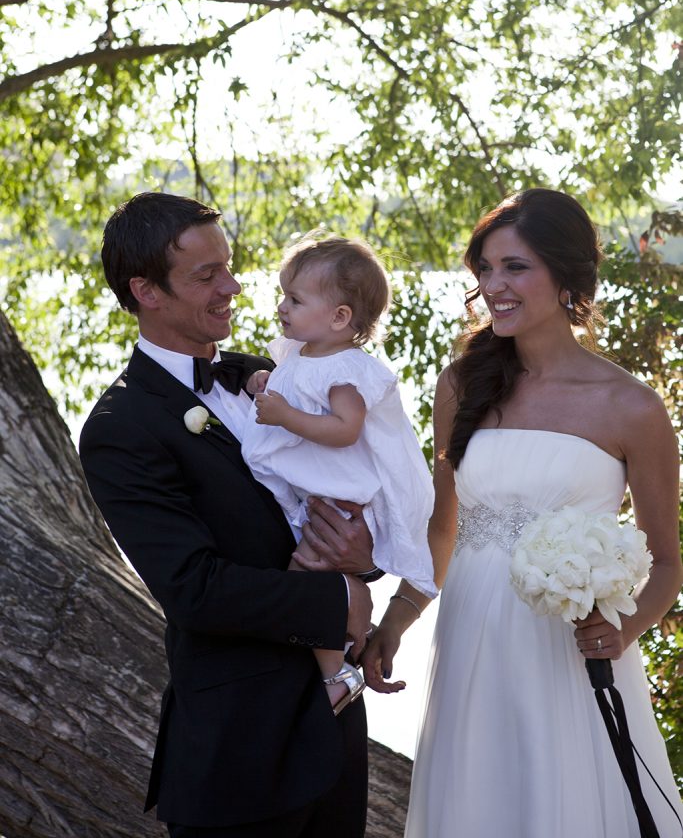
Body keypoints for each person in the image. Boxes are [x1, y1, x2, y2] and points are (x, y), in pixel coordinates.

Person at [362, 188, 683, 838]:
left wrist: (623, 631)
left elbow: (667, 563)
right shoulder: (460, 386)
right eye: (484, 269)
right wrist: (396, 618)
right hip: (469, 641)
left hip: (568, 651)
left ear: (566, 277)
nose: (493, 286)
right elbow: (444, 528)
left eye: (514, 267)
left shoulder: (632, 408)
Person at [79, 192, 378, 838]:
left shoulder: (276, 377)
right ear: (146, 291)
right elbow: (194, 589)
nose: (233, 287)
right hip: (238, 754)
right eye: (206, 275)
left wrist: (365, 557)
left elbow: (349, 489)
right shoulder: (120, 427)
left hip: (335, 732)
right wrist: (337, 600)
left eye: (230, 267)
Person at [240, 235, 436, 713]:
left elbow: (346, 429)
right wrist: (265, 381)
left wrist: (286, 415)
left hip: (345, 496)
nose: (281, 307)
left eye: (295, 299)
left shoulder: (346, 369)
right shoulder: (300, 354)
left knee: (305, 574)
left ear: (339, 317)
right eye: (284, 296)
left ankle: (337, 673)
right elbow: (293, 388)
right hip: (323, 492)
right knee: (308, 576)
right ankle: (346, 628)